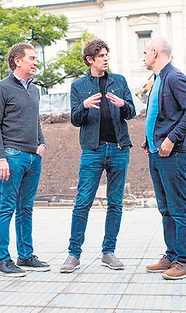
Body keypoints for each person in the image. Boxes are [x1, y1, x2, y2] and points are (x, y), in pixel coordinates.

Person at [60, 39, 135, 273]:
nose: (105, 58)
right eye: (100, 55)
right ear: (89, 60)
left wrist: (123, 103)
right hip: (92, 150)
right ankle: (73, 254)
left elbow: (132, 112)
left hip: (119, 149)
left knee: (115, 203)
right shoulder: (78, 86)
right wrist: (83, 105)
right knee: (82, 203)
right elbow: (74, 119)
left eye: (106, 55)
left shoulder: (119, 81)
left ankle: (108, 252)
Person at [142, 38, 186, 280]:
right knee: (165, 208)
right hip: (157, 154)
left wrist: (171, 139)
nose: (143, 56)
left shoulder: (174, 77)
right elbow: (158, 114)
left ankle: (184, 262)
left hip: (173, 154)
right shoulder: (157, 79)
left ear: (155, 52)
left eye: (145, 52)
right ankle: (172, 255)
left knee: (178, 208)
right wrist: (150, 141)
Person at [0, 43, 50, 276]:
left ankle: (26, 256)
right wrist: (1, 158)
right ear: (17, 61)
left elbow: (35, 120)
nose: (35, 62)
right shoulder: (3, 88)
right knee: (6, 208)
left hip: (33, 157)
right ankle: (3, 258)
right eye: (31, 58)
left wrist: (42, 143)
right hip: (12, 156)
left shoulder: (35, 90)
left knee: (26, 209)